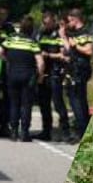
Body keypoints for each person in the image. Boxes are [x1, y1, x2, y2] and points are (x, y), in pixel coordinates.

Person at [2, 17, 43, 142]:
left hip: (12, 74)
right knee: (26, 105)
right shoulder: (32, 42)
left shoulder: (10, 39)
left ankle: (13, 132)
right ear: (31, 29)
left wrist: (8, 59)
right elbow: (40, 62)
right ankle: (24, 133)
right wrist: (40, 76)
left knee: (14, 103)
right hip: (27, 76)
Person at [63, 7, 93, 140]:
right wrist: (63, 37)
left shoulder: (85, 32)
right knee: (76, 99)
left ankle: (82, 130)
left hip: (81, 68)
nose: (68, 23)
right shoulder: (72, 33)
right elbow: (68, 48)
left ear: (76, 19)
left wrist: (76, 46)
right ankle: (81, 127)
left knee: (78, 100)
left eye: (70, 20)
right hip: (72, 69)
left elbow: (89, 51)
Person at [36, 11, 64, 142]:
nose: (45, 25)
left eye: (48, 23)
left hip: (55, 72)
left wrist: (48, 55)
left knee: (58, 104)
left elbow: (64, 55)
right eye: (44, 22)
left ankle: (66, 132)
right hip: (44, 74)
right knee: (44, 104)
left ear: (54, 21)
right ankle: (46, 131)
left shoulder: (60, 34)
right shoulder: (41, 34)